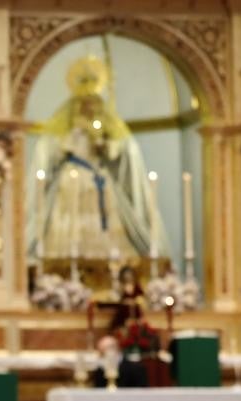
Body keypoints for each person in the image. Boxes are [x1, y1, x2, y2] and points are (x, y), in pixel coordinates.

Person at [28, 55, 167, 267]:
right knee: (71, 224)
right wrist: (75, 135)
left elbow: (118, 150)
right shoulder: (68, 126)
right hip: (74, 179)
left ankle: (111, 267)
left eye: (92, 103)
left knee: (107, 224)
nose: (88, 108)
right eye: (84, 104)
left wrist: (102, 142)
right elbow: (55, 150)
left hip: (99, 178)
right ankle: (66, 268)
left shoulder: (104, 125)